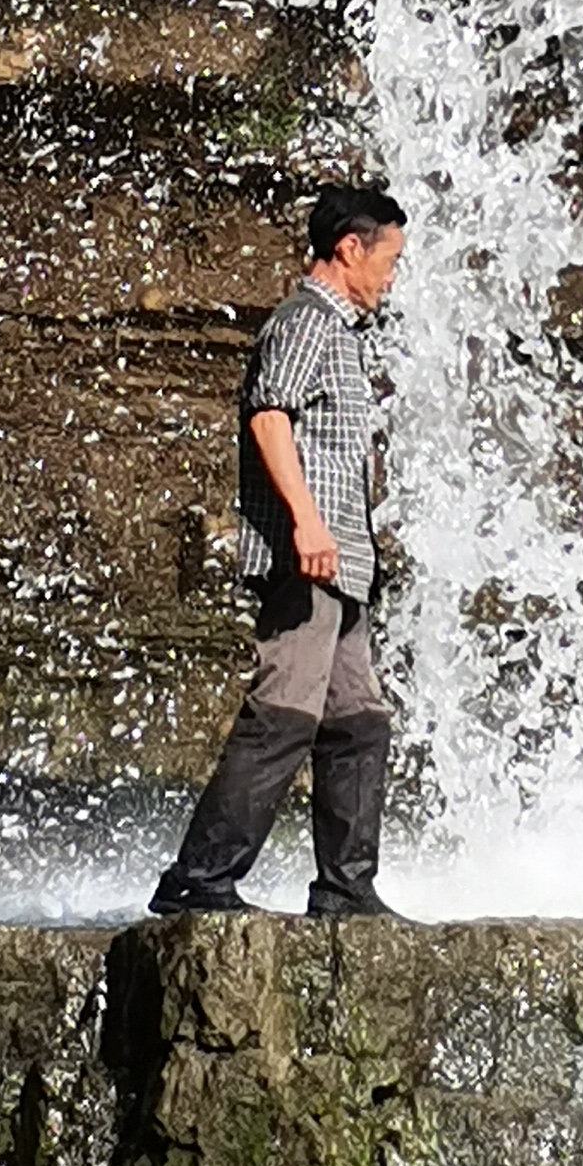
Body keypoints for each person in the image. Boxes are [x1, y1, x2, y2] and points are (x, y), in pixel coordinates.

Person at [148, 182, 411, 920]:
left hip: (342, 564)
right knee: (283, 713)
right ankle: (197, 880)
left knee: (360, 721)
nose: (392, 276)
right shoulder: (306, 323)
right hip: (311, 558)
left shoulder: (340, 334)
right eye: (388, 258)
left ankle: (346, 889)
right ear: (349, 249)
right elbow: (269, 417)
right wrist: (306, 523)